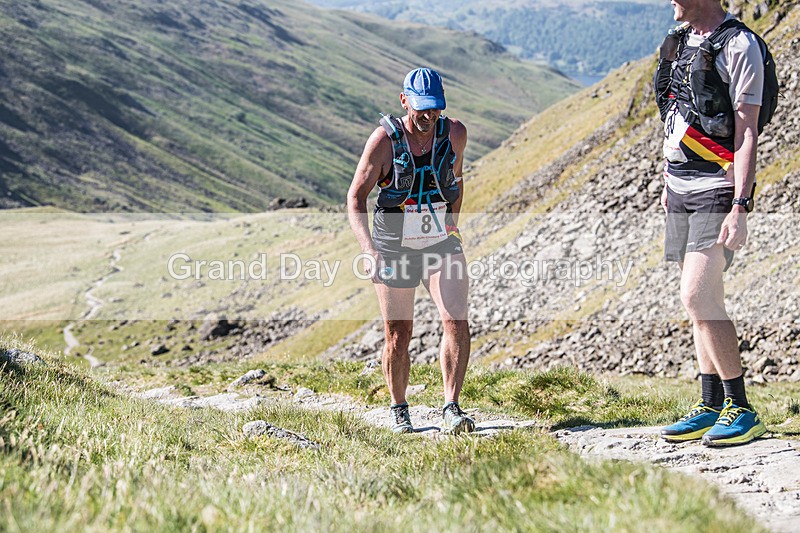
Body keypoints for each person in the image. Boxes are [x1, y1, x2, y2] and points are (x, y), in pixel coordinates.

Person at [654, 0, 766, 446]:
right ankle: (711, 403)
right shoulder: (680, 40)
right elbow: (677, 115)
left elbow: (747, 132)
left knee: (698, 296)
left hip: (717, 189)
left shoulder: (740, 45)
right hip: (679, 186)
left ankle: (742, 408)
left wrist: (740, 204)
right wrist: (667, 179)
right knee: (697, 302)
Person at [346, 67, 475, 435]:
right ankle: (399, 407)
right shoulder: (383, 141)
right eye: (421, 108)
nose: (428, 116)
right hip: (393, 246)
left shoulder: (455, 133)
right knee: (399, 334)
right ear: (404, 101)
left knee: (455, 321)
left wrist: (453, 222)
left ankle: (451, 406)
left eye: (435, 108)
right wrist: (368, 250)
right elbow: (355, 198)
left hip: (439, 241)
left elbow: (457, 179)